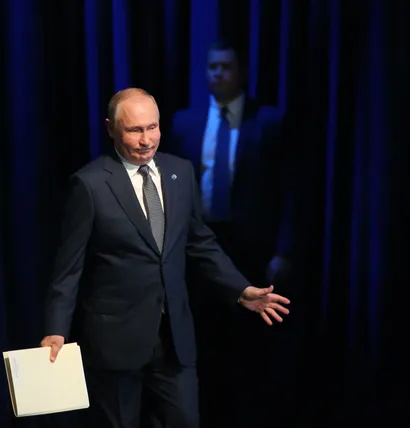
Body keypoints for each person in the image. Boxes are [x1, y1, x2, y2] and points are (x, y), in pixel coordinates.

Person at [40, 87, 291, 428]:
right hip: (116, 341)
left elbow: (201, 243)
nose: (146, 140)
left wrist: (240, 289)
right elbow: (69, 269)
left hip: (174, 338)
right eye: (135, 130)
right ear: (111, 128)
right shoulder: (89, 185)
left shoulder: (180, 172)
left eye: (152, 127)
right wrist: (56, 329)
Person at [167, 40, 295, 427]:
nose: (218, 73)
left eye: (226, 67)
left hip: (251, 249)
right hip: (200, 249)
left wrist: (283, 250)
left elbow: (290, 190)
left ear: (241, 73)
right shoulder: (185, 123)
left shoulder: (268, 121)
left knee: (250, 344)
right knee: (204, 340)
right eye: (212, 67)